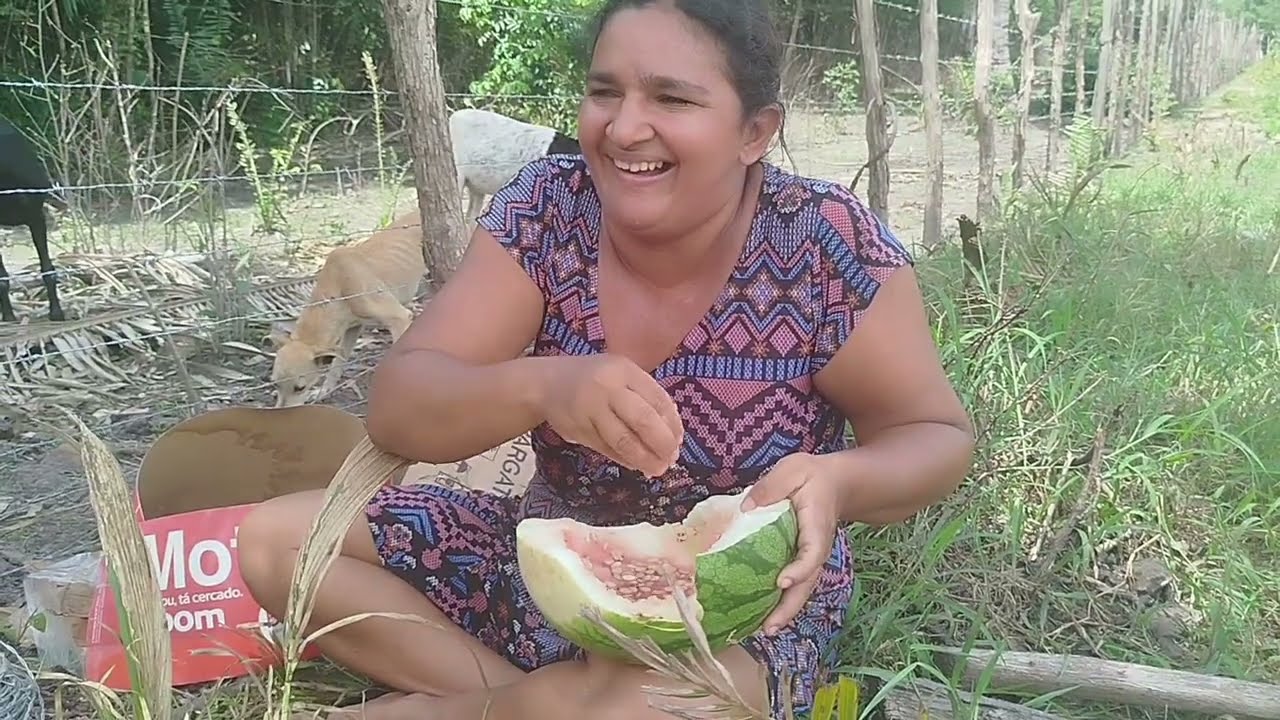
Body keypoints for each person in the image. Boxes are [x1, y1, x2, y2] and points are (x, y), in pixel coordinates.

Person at [237, 0, 975, 718]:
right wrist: (544, 385)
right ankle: (526, 702)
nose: (624, 128)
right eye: (603, 93)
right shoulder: (548, 209)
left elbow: (936, 436)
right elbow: (400, 409)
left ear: (755, 132)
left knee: (658, 703)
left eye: (671, 98)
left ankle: (468, 710)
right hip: (545, 572)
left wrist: (839, 479)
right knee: (275, 542)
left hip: (743, 618)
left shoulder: (824, 244)